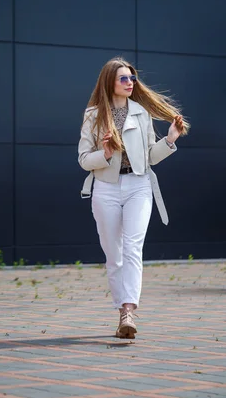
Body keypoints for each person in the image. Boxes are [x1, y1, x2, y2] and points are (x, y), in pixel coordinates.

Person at [78, 57, 189, 339]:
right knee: (113, 255)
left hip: (139, 185)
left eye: (132, 78)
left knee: (133, 247)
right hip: (106, 187)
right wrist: (103, 154)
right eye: (124, 79)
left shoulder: (141, 113)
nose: (130, 83)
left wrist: (170, 140)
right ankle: (121, 312)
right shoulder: (93, 115)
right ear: (109, 83)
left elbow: (150, 156)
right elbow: (83, 159)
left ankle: (129, 311)